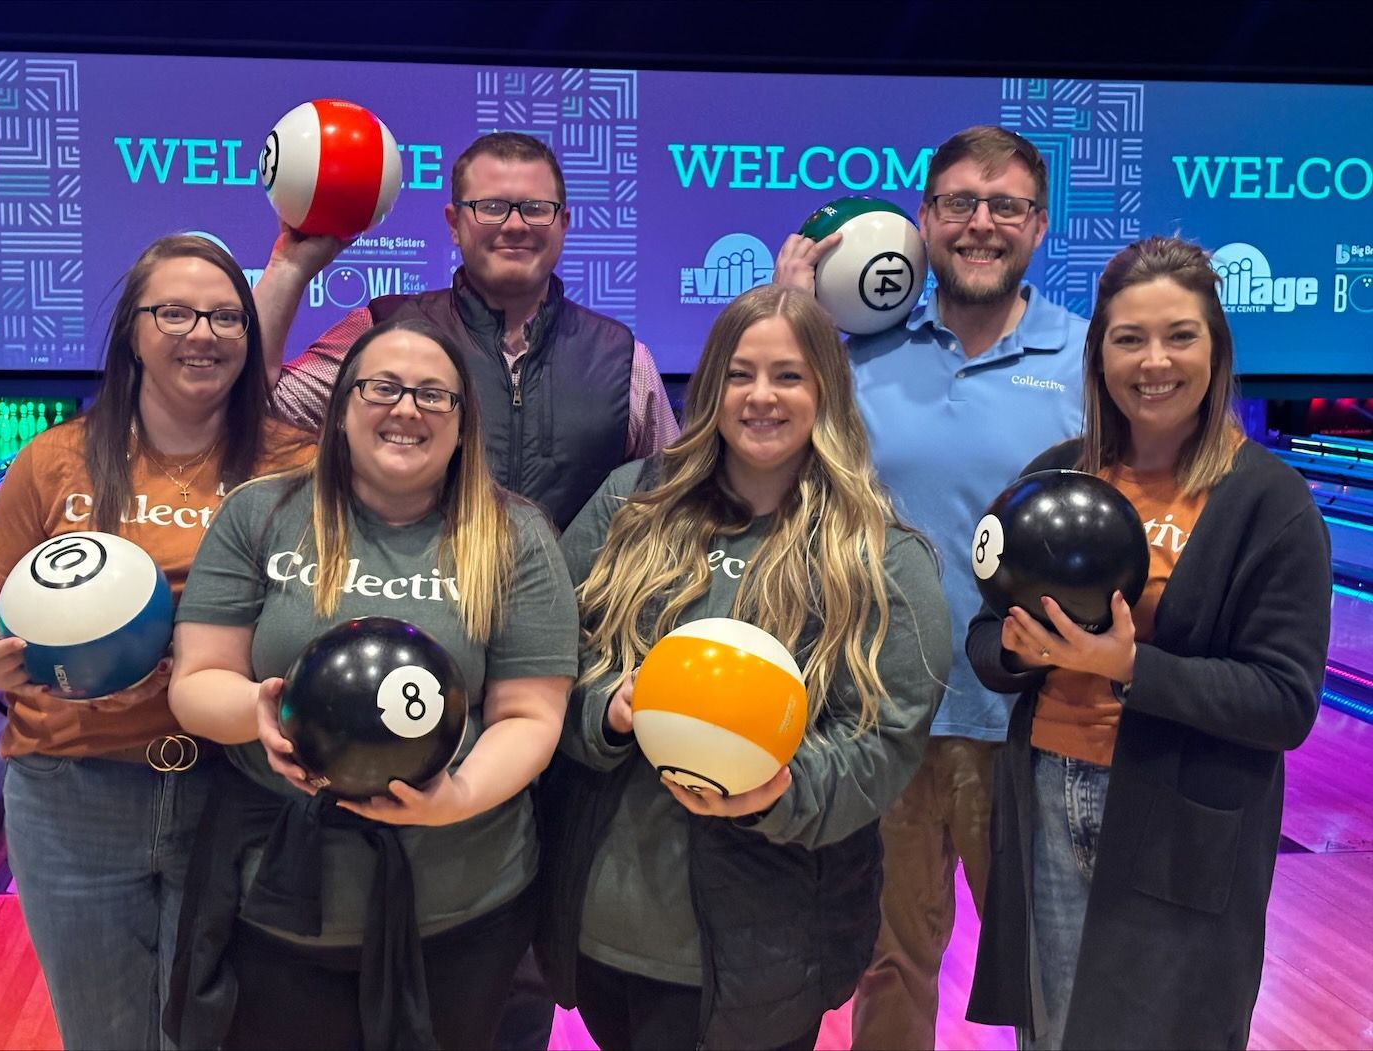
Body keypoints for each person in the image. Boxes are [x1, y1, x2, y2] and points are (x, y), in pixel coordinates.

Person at [536, 284, 952, 1050]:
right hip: (605, 925)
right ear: (711, 388)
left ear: (826, 389)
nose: (762, 396)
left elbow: (886, 740)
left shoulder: (882, 555)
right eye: (739, 373)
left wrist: (779, 788)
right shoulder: (633, 504)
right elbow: (547, 657)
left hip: (771, 941)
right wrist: (606, 705)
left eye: (789, 375)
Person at [164, 318, 578, 1050]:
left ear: (462, 423)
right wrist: (252, 713)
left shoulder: (515, 536)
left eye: (433, 395)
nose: (406, 408)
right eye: (382, 387)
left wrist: (455, 799)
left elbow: (530, 715)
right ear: (342, 409)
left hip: (464, 902)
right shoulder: (262, 515)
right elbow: (197, 681)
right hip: (283, 902)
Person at [964, 235, 1332, 1048]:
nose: (1154, 361)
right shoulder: (1057, 478)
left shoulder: (1268, 504)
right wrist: (1028, 648)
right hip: (1047, 790)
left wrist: (1128, 667)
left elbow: (1283, 701)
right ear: (1099, 355)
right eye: (1128, 338)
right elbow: (986, 639)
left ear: (1216, 349)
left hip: (1180, 818)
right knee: (1056, 1030)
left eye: (1180, 335)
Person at [774, 125, 1087, 1048]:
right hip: (889, 716)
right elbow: (762, 449)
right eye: (958, 202)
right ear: (923, 220)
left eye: (1006, 206)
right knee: (889, 964)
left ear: (1038, 227)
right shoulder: (856, 350)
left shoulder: (1082, 353)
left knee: (1046, 965)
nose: (980, 223)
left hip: (1033, 722)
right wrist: (789, 310)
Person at [0, 234, 314, 1050]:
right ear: (133, 329)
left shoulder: (297, 467)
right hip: (72, 792)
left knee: (228, 1033)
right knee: (108, 1035)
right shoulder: (54, 460)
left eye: (227, 316)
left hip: (233, 788)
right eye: (175, 312)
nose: (204, 333)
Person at [256, 130, 680, 532]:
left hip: (574, 607)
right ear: (454, 223)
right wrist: (289, 268)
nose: (515, 225)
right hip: (414, 602)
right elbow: (256, 404)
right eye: (491, 207)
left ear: (563, 223)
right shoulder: (384, 329)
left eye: (535, 208)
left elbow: (675, 500)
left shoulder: (625, 360)